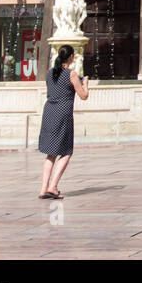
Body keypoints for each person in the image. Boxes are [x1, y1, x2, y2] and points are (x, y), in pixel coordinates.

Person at [37, 44, 90, 200]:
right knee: (66, 151)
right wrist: (85, 83)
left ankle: (43, 189)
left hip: (49, 112)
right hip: (63, 113)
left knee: (50, 153)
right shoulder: (71, 74)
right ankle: (53, 187)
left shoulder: (49, 73)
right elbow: (83, 96)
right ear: (71, 57)